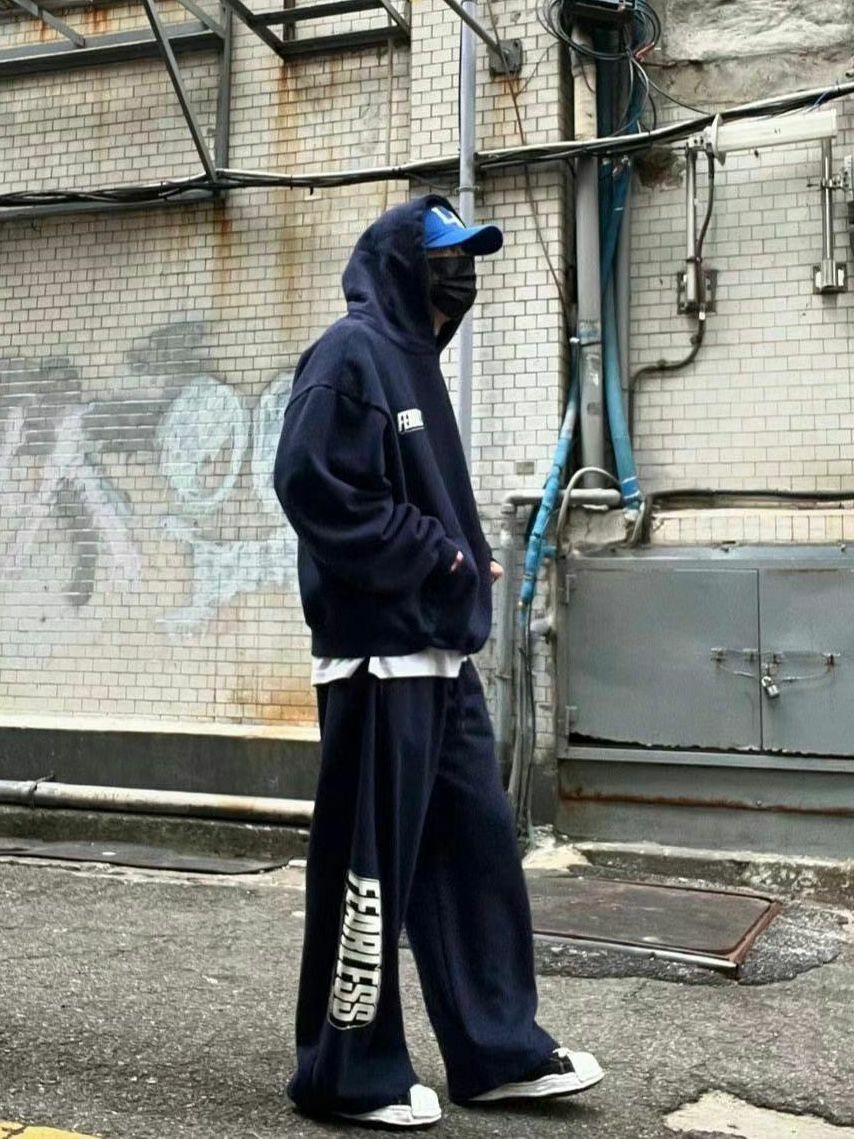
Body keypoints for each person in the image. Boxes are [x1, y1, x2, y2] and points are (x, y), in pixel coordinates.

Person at [273, 194, 604, 1129]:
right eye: (446, 256)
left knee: (476, 855)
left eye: (470, 257)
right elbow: (312, 482)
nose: (462, 274)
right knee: (368, 870)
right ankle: (346, 1071)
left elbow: (410, 503)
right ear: (401, 263)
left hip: (439, 655)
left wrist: (461, 559)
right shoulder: (351, 353)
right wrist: (440, 555)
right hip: (377, 661)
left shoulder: (415, 363)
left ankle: (497, 1052)